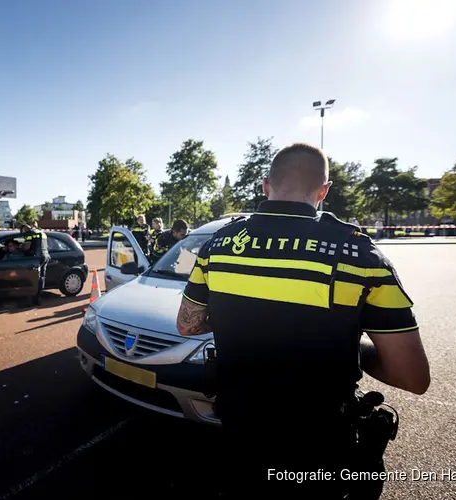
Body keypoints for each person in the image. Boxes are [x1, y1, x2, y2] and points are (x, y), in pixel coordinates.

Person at [175, 143, 430, 498]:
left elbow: (187, 325)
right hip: (319, 445)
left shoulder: (218, 245)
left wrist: (245, 323)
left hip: (239, 433)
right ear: (323, 191)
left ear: (265, 185)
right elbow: (412, 377)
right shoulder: (359, 254)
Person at [20, 221, 50, 305]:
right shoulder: (42, 232)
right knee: (42, 277)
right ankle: (39, 296)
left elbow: (27, 247)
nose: (23, 233)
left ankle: (34, 298)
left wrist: (20, 247)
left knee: (35, 277)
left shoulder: (31, 233)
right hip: (46, 255)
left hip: (38, 257)